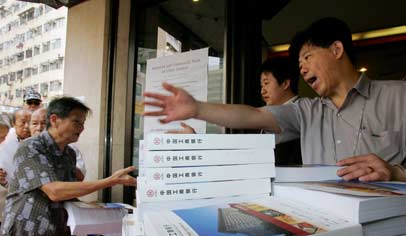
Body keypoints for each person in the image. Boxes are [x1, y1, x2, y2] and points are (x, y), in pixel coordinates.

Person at [144, 17, 406, 182]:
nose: (301, 68)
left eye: (307, 57)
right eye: (299, 63)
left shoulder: (399, 96)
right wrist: (197, 108)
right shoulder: (306, 111)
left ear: (336, 50)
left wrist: (396, 173)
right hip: (326, 235)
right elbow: (253, 115)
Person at [0, 97, 136, 236]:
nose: (81, 127)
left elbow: (69, 193)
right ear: (54, 119)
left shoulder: (69, 154)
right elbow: (54, 191)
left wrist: (95, 210)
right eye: (76, 121)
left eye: (83, 123)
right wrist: (109, 181)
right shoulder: (31, 148)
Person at [260, 59, 302, 165]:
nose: (262, 91)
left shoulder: (303, 112)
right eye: (262, 85)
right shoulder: (271, 113)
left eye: (266, 83)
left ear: (285, 83)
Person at [29, 108, 87, 180]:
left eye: (43, 123)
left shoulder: (70, 151)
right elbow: (53, 189)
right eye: (34, 123)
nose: (39, 128)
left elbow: (78, 178)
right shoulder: (28, 147)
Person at [0, 109, 31, 184]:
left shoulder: (37, 141)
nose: (27, 126)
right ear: (13, 123)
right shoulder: (4, 140)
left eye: (30, 122)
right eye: (23, 122)